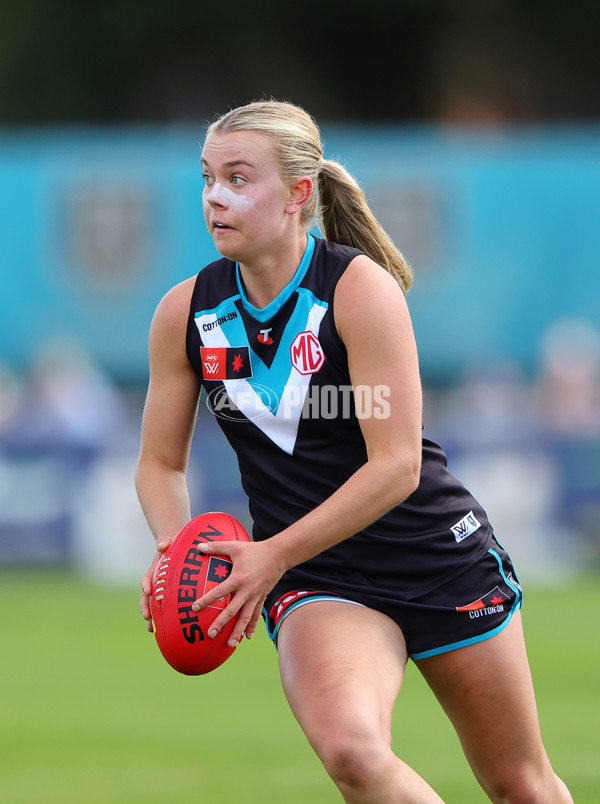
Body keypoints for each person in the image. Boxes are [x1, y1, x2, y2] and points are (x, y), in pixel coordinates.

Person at [136, 99, 572, 804]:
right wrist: (170, 551)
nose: (215, 196)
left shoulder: (358, 290)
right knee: (351, 750)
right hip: (322, 575)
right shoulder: (184, 312)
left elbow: (395, 466)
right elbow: (161, 463)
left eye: (239, 178)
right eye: (208, 177)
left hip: (434, 555)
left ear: (299, 194)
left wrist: (272, 552)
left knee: (522, 785)